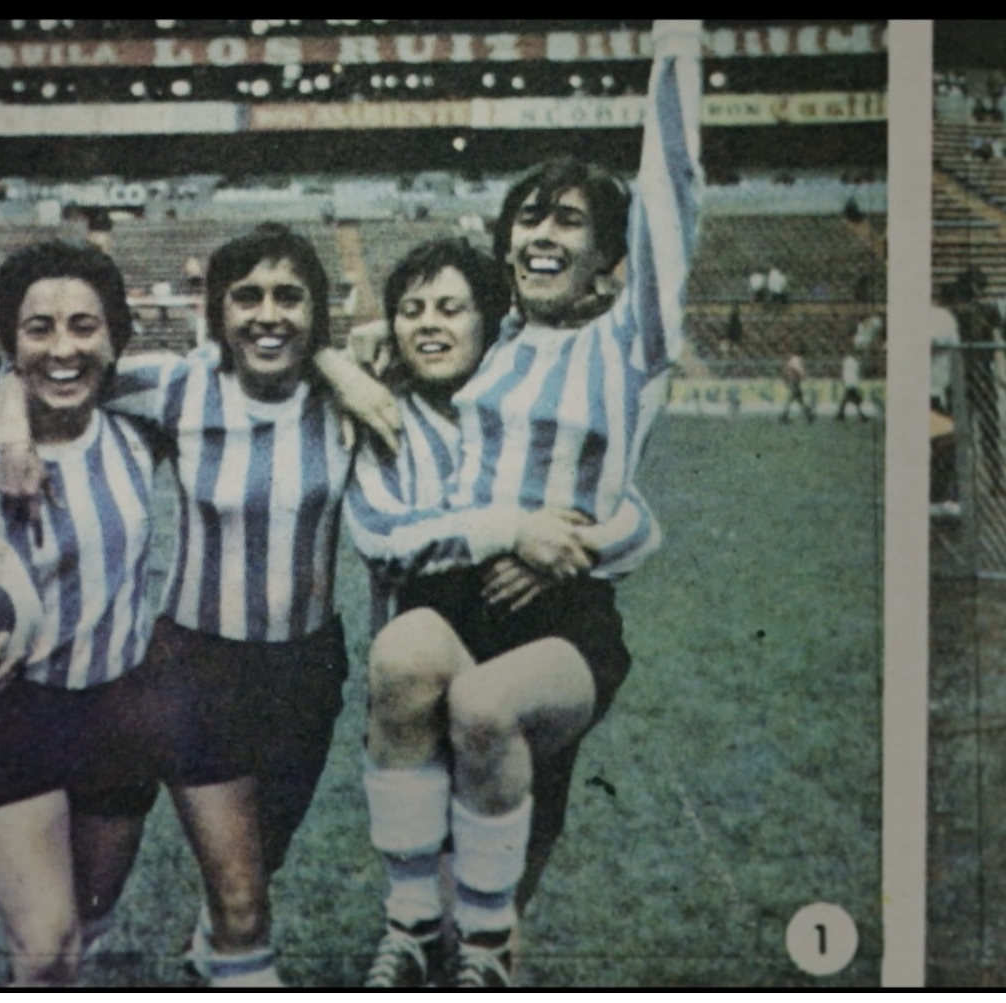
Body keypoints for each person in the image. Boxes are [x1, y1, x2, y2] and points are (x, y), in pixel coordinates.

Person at [339, 21, 702, 986]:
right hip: (463, 597)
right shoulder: (491, 341)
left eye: (570, 222)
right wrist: (350, 356)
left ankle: (487, 951)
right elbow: (405, 328)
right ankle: (412, 922)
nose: (544, 234)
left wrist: (679, 50)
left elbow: (676, 196)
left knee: (491, 713)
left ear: (608, 257)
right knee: (401, 655)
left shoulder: (627, 343)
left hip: (560, 616)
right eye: (529, 219)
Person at [0, 224, 378, 987]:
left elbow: (456, 334)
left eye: (289, 297)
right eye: (248, 297)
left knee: (260, 863)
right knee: (239, 893)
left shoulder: (345, 390)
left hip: (307, 667)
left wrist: (343, 362)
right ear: (218, 312)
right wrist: (12, 433)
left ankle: (213, 958)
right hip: (196, 666)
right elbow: (51, 367)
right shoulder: (181, 384)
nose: (268, 315)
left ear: (317, 313)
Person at [0, 242, 161, 986]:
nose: (63, 347)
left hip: (118, 710)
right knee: (45, 947)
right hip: (11, 717)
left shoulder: (141, 431)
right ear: (11, 343)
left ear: (114, 338)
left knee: (88, 930)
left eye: (84, 325)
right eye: (38, 328)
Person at [837, 351, 867, 421]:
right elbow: (857, 372)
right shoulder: (854, 362)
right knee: (849, 399)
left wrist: (844, 380)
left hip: (849, 383)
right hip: (852, 382)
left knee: (848, 399)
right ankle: (841, 414)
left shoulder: (847, 361)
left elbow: (845, 373)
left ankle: (841, 414)